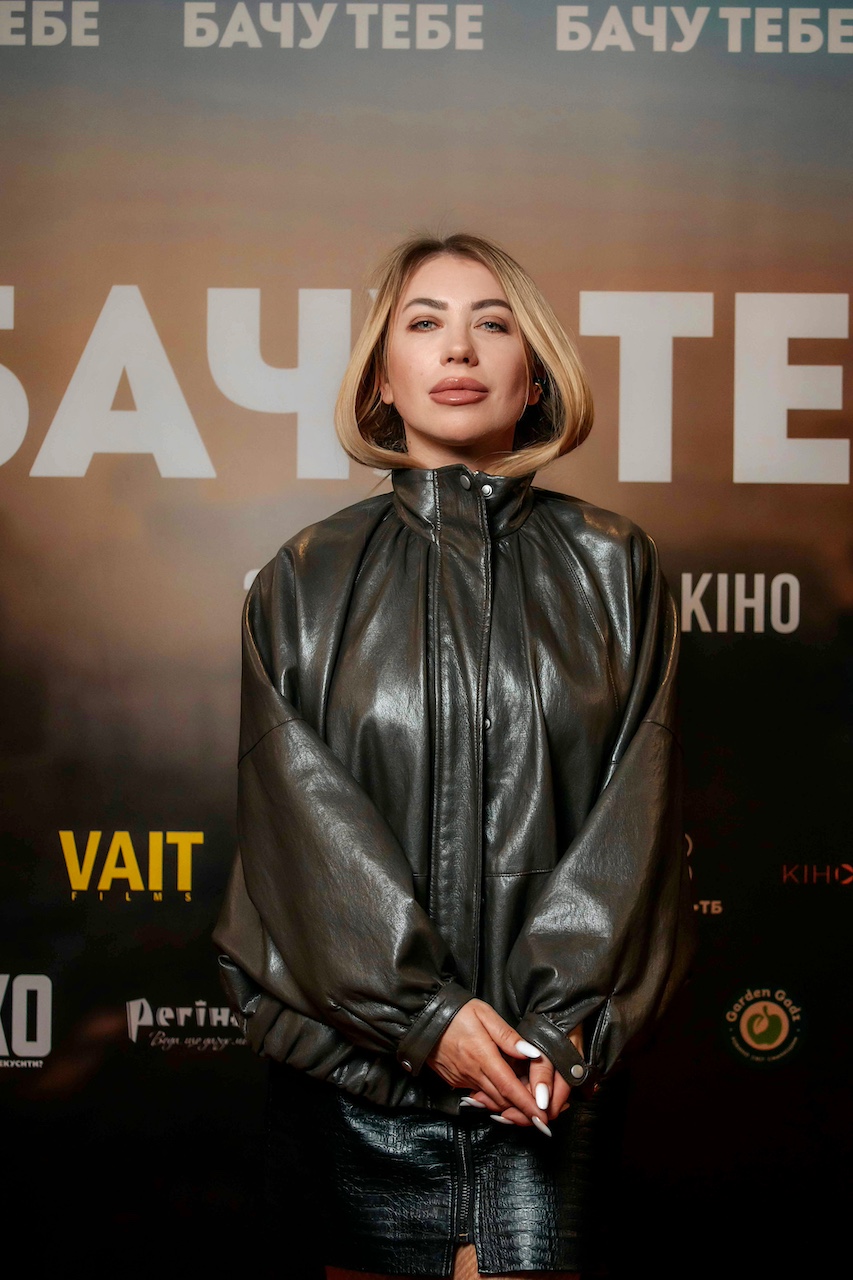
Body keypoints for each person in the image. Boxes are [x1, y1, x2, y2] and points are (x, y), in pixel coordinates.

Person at [214, 232, 695, 1279]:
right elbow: (298, 836)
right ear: (383, 381)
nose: (459, 347)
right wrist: (424, 1017)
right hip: (356, 1073)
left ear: (535, 378)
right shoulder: (302, 580)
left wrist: (555, 1031)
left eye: (493, 323)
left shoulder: (617, 565)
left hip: (544, 1077)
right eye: (424, 323)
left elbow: (639, 819)